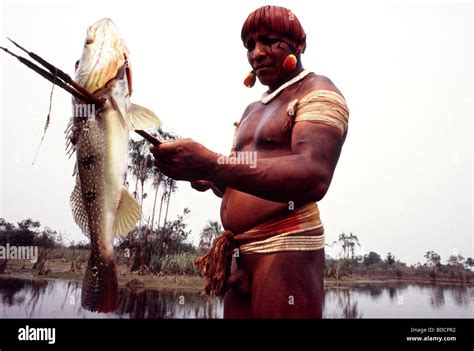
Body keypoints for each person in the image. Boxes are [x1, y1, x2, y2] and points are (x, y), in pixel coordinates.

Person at [149, 5, 349, 318]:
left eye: (269, 41)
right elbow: (241, 174)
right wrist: (211, 178)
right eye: (249, 46)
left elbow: (313, 175)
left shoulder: (318, 91)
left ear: (298, 45)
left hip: (286, 244)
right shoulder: (251, 110)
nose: (257, 53)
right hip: (240, 251)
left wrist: (214, 164)